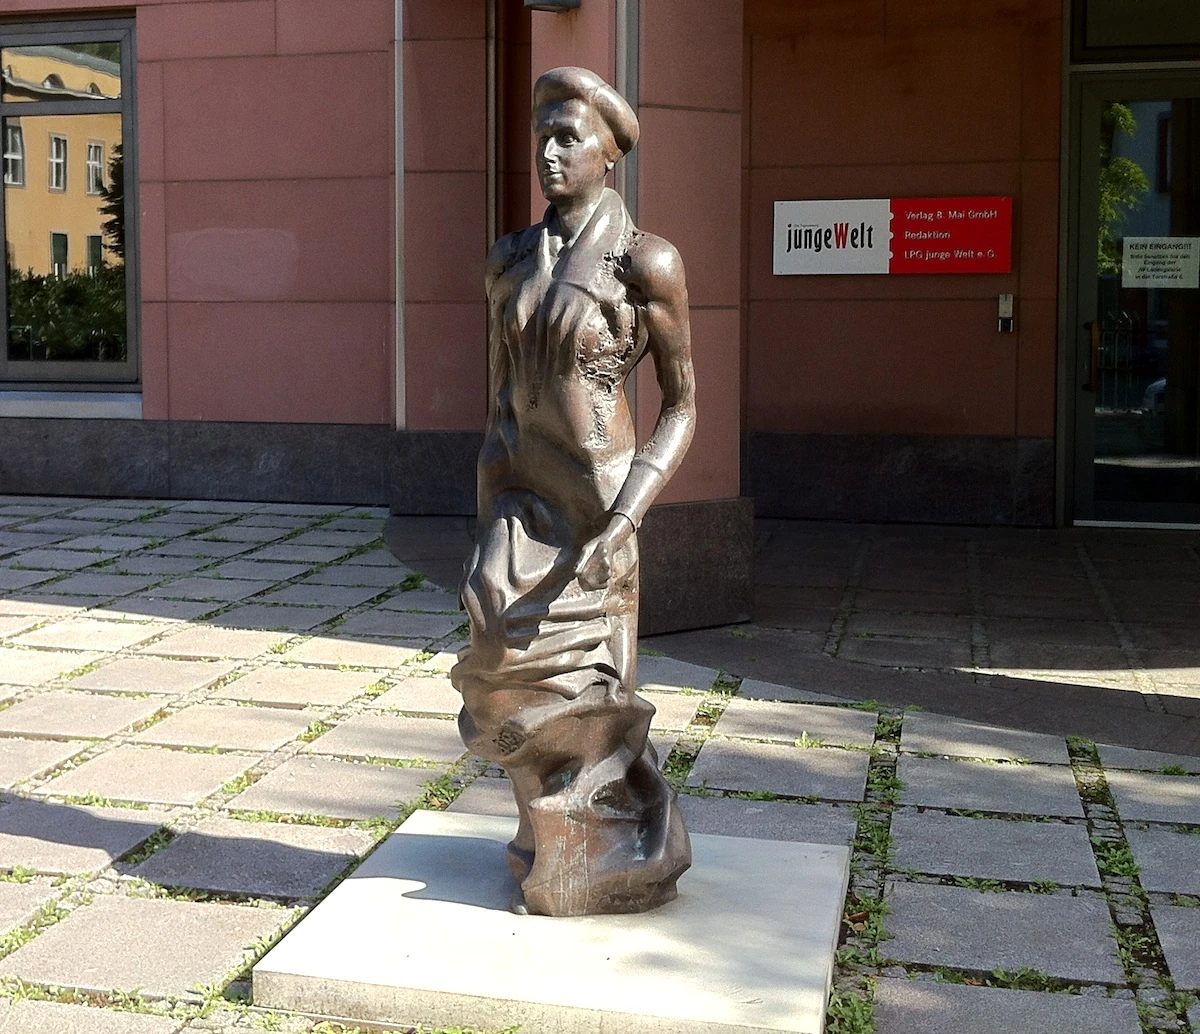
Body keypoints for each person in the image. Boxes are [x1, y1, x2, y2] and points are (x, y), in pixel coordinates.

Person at [451, 66, 696, 917]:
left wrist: (627, 519)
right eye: (542, 137)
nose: (550, 154)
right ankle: (544, 837)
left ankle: (600, 851)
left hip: (598, 515)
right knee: (495, 671)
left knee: (586, 703)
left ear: (608, 153)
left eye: (569, 137)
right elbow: (499, 398)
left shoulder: (646, 261)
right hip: (518, 503)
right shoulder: (510, 258)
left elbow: (683, 405)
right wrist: (485, 517)